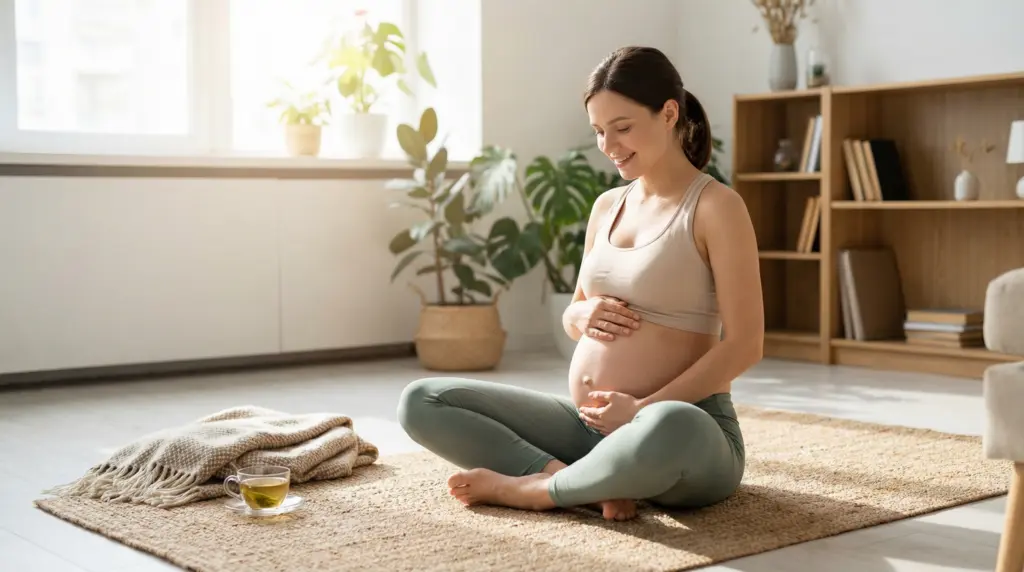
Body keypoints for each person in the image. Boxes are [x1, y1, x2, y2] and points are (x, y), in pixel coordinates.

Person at [396, 45, 764, 521]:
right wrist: (580, 314)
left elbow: (746, 344)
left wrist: (640, 410)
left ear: (669, 113)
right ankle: (575, 481)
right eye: (598, 131)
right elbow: (575, 315)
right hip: (589, 426)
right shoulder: (606, 207)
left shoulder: (716, 207)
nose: (609, 146)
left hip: (682, 427)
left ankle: (532, 491)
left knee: (670, 425)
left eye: (623, 128)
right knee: (422, 401)